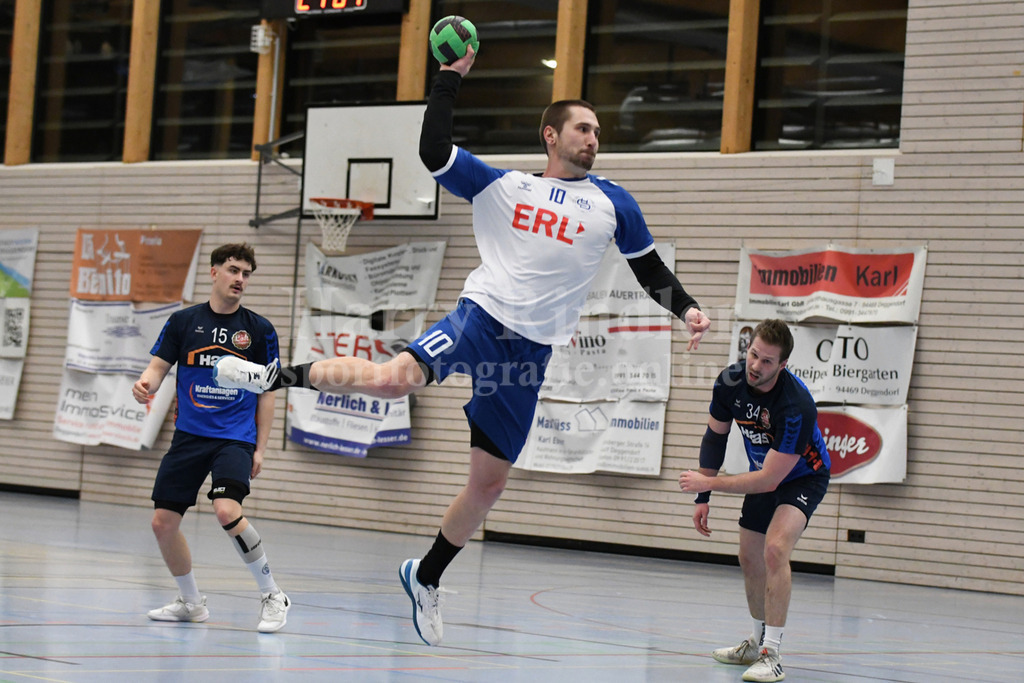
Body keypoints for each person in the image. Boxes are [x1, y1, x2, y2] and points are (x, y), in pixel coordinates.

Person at [213, 46, 710, 647]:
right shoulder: (505, 186)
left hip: (530, 353)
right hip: (482, 317)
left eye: (598, 131)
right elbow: (433, 152)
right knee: (392, 380)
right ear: (551, 136)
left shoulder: (614, 203)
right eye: (583, 128)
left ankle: (425, 576)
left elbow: (648, 268)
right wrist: (449, 78)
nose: (593, 139)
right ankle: (273, 376)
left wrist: (687, 309)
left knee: (489, 484)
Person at [132, 243, 290, 633]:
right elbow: (158, 367)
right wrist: (146, 384)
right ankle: (191, 602)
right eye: (233, 270)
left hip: (234, 438)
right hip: (189, 437)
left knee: (226, 510)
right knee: (162, 523)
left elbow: (268, 393)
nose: (240, 279)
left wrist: (260, 448)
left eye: (246, 273)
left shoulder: (260, 330)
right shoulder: (183, 322)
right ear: (214, 272)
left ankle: (273, 595)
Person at [679, 319, 830, 682]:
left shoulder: (795, 406)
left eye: (767, 361)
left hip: (802, 478)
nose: (756, 366)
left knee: (775, 550)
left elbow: (770, 480)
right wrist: (703, 495)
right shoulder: (729, 382)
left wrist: (710, 481)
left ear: (783, 365)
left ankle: (772, 654)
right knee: (749, 556)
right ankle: (756, 641)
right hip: (764, 473)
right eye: (753, 355)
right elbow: (714, 438)